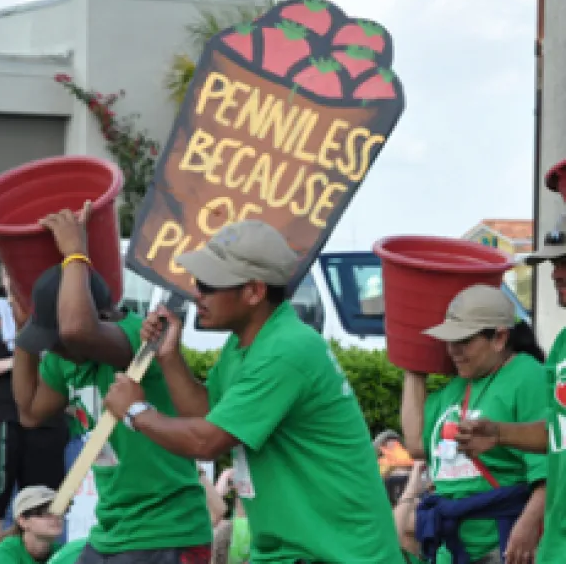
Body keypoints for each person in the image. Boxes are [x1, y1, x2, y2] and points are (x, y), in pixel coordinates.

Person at [103, 219, 406, 564]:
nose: (196, 293)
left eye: (208, 284)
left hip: (341, 553)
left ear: (254, 292)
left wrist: (137, 412)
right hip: (292, 551)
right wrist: (169, 358)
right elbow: (207, 414)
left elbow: (207, 440)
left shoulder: (286, 350)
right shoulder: (246, 344)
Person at [11, 203, 212, 564]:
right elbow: (28, 412)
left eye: (56, 342)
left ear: (101, 316)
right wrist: (25, 334)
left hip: (166, 531)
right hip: (112, 533)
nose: (55, 351)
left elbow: (76, 330)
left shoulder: (136, 341)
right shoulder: (64, 361)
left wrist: (75, 252)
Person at [402, 284, 548, 564]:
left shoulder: (528, 377)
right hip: (452, 546)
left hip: (502, 545)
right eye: (449, 340)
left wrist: (527, 527)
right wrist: (413, 368)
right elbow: (417, 445)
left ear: (499, 338)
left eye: (464, 341)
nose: (453, 350)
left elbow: (551, 465)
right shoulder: (456, 387)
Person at [456, 214, 566, 564]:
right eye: (553, 262)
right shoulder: (563, 345)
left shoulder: (527, 372)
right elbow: (559, 433)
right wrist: (499, 434)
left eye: (565, 262)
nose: (555, 273)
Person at [0, 271, 68, 561]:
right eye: (11, 270)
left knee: (47, 504)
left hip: (46, 421)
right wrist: (16, 362)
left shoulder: (60, 316)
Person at [0, 485, 64, 563]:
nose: (56, 516)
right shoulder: (5, 553)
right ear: (22, 521)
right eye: (44, 512)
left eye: (59, 510)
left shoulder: (62, 552)